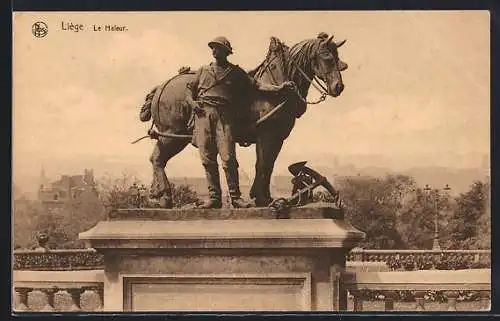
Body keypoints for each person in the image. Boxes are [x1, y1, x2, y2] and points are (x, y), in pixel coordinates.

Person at [186, 36, 295, 209]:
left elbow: (257, 85)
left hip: (225, 116)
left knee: (228, 158)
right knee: (207, 158)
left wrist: (279, 88)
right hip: (203, 116)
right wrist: (192, 103)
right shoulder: (202, 70)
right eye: (213, 48)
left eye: (218, 48)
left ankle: (235, 197)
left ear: (226, 52)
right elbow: (189, 91)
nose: (214, 50)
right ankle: (214, 198)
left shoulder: (235, 72)